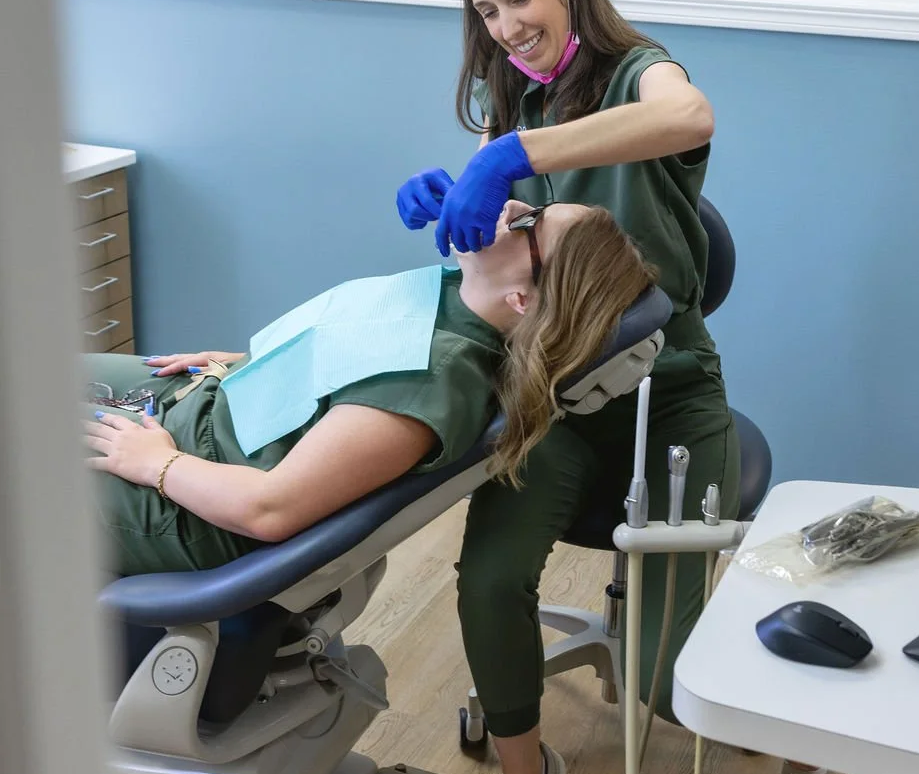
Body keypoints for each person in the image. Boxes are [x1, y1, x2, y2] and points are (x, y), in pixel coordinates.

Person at [396, 0, 834, 774]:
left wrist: (516, 159)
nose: (505, 25)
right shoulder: (517, 101)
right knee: (491, 581)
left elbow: (690, 120)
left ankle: (803, 759)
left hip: (667, 392)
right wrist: (461, 211)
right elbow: (521, 271)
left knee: (662, 673)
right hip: (551, 393)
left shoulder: (641, 77)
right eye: (485, 9)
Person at [84, 202, 655, 579]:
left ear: (523, 301)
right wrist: (251, 365)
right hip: (208, 412)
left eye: (527, 222)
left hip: (188, 502)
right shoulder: (457, 296)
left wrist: (155, 464)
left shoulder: (429, 379)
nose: (504, 208)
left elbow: (268, 510)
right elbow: (355, 356)